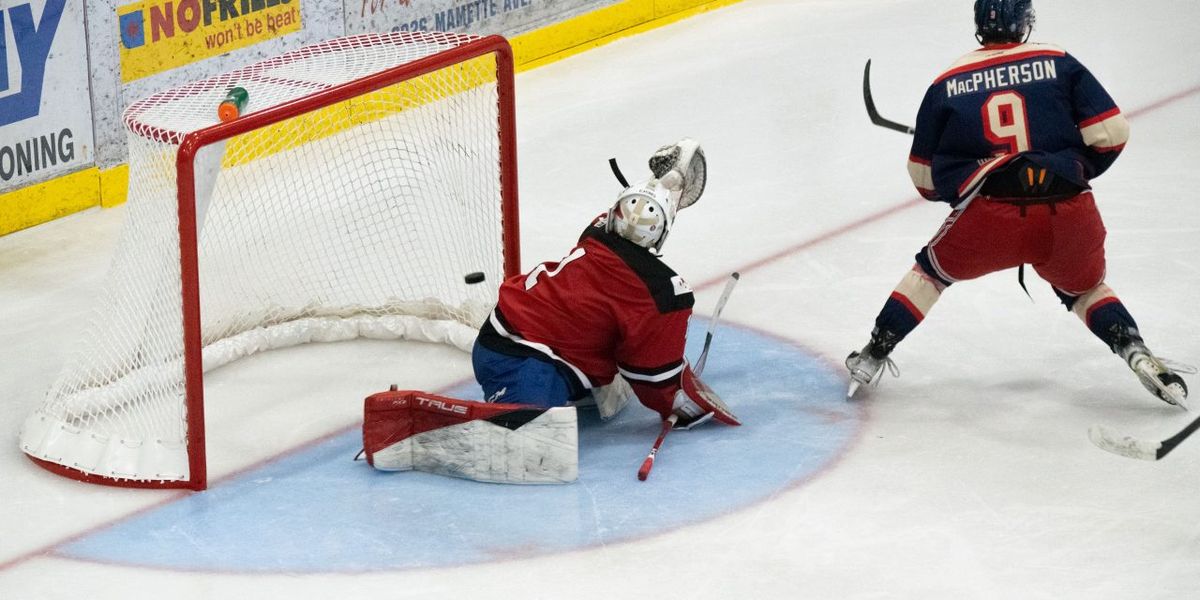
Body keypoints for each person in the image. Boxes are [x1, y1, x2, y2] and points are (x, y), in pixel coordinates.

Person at [846, 0, 1190, 406]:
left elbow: (923, 179)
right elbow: (1112, 133)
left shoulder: (948, 81)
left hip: (993, 215)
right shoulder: (1058, 61)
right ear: (1026, 20)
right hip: (1070, 209)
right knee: (1084, 289)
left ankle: (874, 353)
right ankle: (1135, 350)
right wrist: (1074, 166)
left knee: (931, 273)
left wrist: (960, 175)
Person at [473, 138, 739, 429]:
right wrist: (681, 405)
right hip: (528, 363)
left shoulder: (596, 231)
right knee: (529, 432)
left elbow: (631, 212)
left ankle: (571, 386)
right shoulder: (662, 293)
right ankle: (516, 413)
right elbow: (653, 378)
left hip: (498, 332)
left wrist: (661, 183)